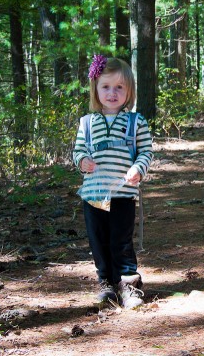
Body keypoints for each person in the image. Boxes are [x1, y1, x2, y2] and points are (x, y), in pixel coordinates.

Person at [72, 55, 153, 309]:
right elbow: (78, 151)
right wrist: (82, 160)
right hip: (93, 194)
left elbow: (146, 152)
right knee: (99, 240)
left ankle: (129, 284)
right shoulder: (87, 123)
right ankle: (106, 283)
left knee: (121, 239)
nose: (112, 93)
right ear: (96, 89)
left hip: (122, 193)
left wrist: (138, 168)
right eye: (106, 86)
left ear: (129, 91)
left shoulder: (135, 121)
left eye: (119, 87)